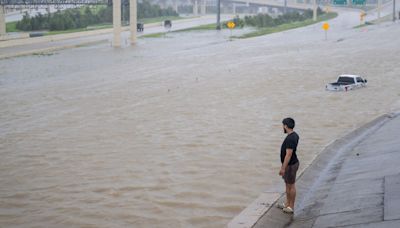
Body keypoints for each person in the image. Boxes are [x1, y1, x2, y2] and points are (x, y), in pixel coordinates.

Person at [277, 117, 300, 214]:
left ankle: (291, 206)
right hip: (290, 165)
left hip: (290, 165)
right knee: (287, 184)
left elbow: (288, 154)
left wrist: (283, 168)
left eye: (283, 125)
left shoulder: (291, 138)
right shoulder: (294, 135)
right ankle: (287, 204)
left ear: (285, 126)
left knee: (291, 185)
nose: (282, 127)